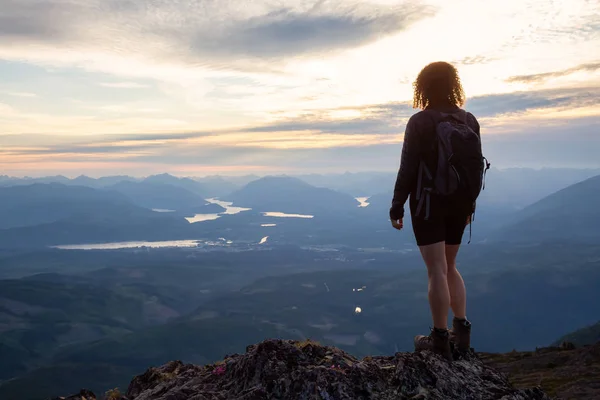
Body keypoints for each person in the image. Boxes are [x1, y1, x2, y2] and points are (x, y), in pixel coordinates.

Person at [390, 61, 483, 361]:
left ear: (424, 87)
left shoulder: (420, 122)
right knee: (450, 265)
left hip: (428, 204)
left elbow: (408, 168)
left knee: (436, 270)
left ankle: (440, 339)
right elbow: (473, 170)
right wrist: (470, 205)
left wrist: (396, 206)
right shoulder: (469, 120)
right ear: (453, 84)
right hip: (460, 204)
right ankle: (462, 333)